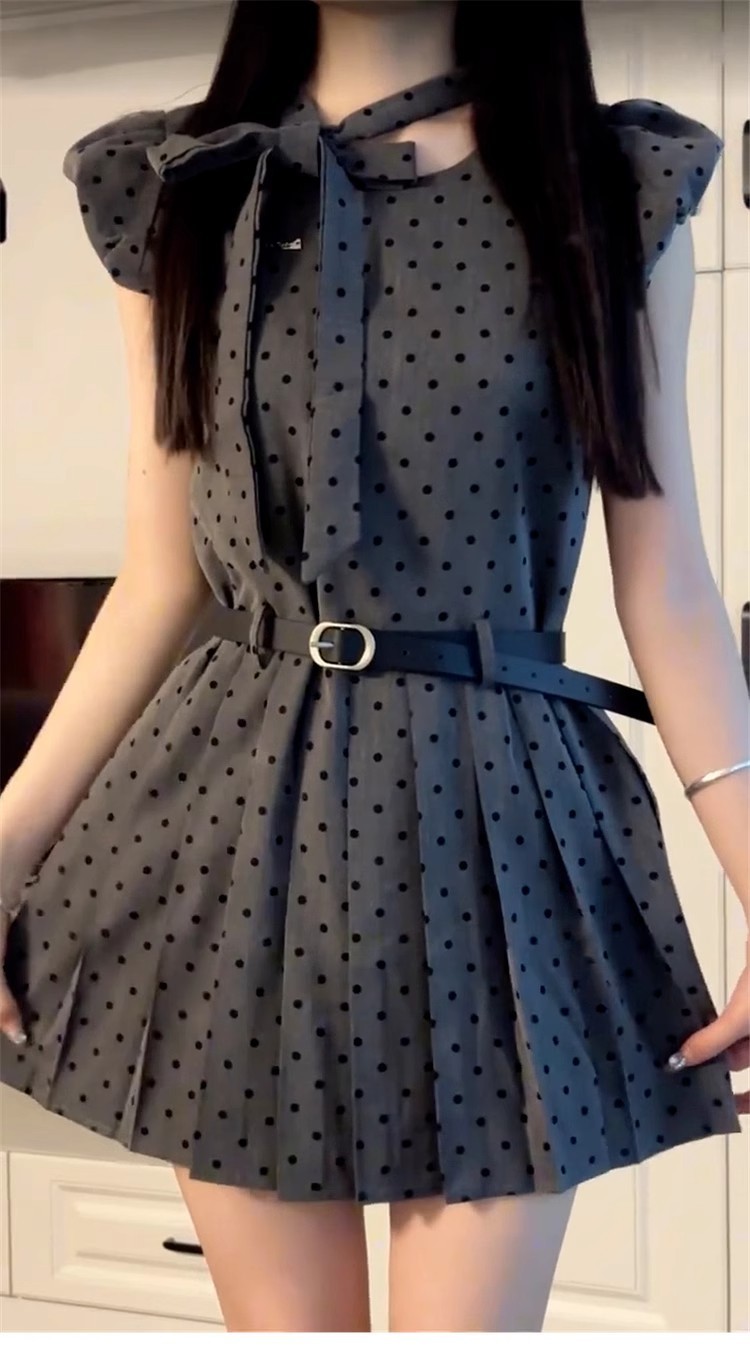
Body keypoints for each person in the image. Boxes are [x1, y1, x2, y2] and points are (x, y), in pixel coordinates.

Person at [0, 0, 747, 1334]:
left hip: (495, 823)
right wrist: (2, 846)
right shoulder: (181, 188)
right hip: (231, 818)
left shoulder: (607, 185)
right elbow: (162, 577)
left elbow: (667, 578)